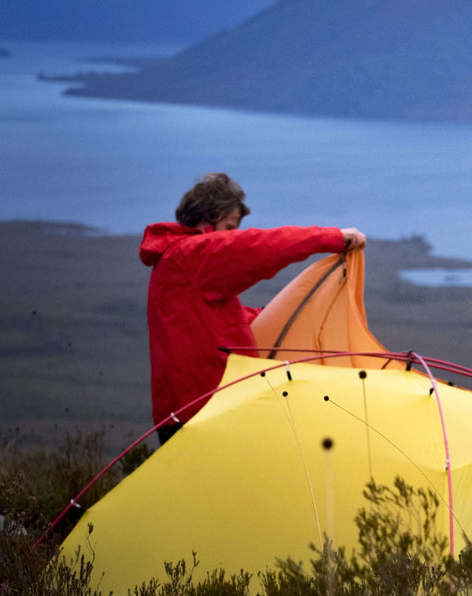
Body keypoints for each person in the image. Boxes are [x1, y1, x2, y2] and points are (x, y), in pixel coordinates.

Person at [140, 173, 366, 444]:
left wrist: (268, 315)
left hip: (194, 410)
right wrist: (333, 237)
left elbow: (207, 320)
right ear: (208, 220)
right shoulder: (192, 255)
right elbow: (261, 246)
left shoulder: (178, 260)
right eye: (229, 227)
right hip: (204, 413)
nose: (232, 237)